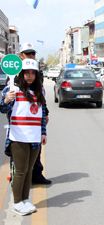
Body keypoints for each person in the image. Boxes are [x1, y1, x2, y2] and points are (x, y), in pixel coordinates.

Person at [0, 58, 47, 216]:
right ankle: (17, 202)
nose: (29, 76)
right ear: (21, 74)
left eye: (32, 73)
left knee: (29, 170)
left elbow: (42, 115)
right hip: (18, 138)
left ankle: (25, 199)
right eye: (26, 73)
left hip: (34, 139)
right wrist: (6, 100)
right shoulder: (12, 89)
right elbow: (2, 108)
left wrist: (43, 132)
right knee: (20, 171)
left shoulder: (40, 93)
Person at [19, 43, 51, 185]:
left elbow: (41, 94)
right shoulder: (17, 73)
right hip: (20, 119)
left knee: (36, 149)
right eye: (27, 53)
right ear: (21, 55)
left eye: (32, 53)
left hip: (35, 114)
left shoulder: (37, 72)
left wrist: (45, 112)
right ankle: (19, 180)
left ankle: (36, 175)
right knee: (20, 153)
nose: (31, 55)